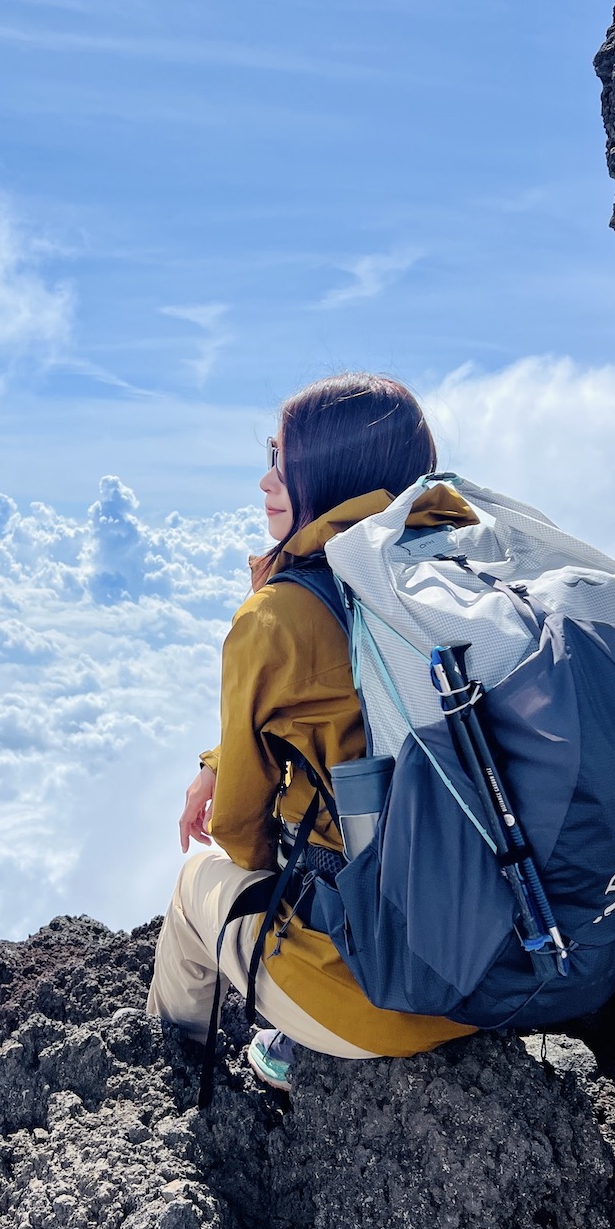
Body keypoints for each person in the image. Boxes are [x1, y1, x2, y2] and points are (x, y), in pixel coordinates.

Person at [146, 372, 477, 1090]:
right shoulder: (458, 568)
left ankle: (160, 1085)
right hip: (497, 964)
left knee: (200, 883)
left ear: (330, 471)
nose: (266, 479)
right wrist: (219, 758)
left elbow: (241, 833)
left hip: (385, 997)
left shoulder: (278, 617)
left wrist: (233, 777)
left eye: (281, 459)